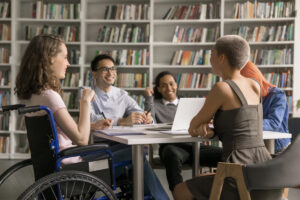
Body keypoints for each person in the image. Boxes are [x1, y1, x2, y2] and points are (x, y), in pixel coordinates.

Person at [173, 35, 282, 200]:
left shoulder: (222, 88)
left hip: (237, 171)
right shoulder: (255, 85)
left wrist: (203, 125)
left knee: (180, 191)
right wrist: (213, 130)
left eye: (211, 54)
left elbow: (193, 126)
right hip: (263, 169)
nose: (209, 59)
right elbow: (240, 124)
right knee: (201, 181)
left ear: (221, 57)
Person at [14, 34, 113, 165]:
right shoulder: (50, 97)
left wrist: (93, 126)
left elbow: (62, 131)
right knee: (133, 155)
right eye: (65, 57)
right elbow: (82, 140)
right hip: (73, 166)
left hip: (59, 164)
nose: (68, 63)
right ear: (49, 59)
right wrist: (85, 102)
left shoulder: (34, 95)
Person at [86, 54, 169, 200]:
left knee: (137, 156)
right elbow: (91, 120)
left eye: (113, 69)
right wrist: (122, 121)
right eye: (105, 69)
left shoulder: (121, 95)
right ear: (94, 73)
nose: (111, 73)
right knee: (137, 155)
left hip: (120, 148)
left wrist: (145, 118)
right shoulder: (87, 93)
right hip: (98, 154)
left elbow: (138, 112)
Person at [144, 71, 222, 193]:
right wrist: (149, 98)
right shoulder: (156, 105)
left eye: (171, 83)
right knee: (171, 154)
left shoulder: (189, 103)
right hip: (171, 147)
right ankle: (178, 194)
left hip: (195, 146)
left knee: (227, 155)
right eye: (163, 85)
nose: (169, 88)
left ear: (176, 85)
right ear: (158, 89)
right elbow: (149, 121)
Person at [241, 61, 290, 153]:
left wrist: (246, 124)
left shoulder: (277, 95)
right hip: (256, 146)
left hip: (277, 148)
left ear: (254, 79)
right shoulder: (245, 97)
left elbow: (273, 122)